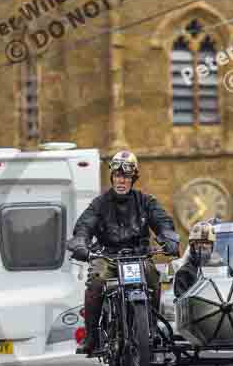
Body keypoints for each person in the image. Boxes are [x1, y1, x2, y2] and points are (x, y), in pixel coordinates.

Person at [67, 150, 179, 355]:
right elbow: (84, 226)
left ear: (133, 178)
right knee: (96, 282)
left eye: (126, 176)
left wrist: (169, 237)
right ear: (112, 177)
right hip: (107, 256)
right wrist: (80, 243)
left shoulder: (146, 202)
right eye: (118, 176)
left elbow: (163, 222)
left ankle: (151, 328)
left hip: (139, 256)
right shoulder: (99, 204)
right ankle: (91, 336)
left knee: (154, 277)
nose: (121, 180)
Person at [173, 220, 222, 298]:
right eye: (200, 242)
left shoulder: (222, 268)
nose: (204, 246)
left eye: (207, 242)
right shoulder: (184, 272)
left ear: (212, 246)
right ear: (192, 246)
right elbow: (182, 302)